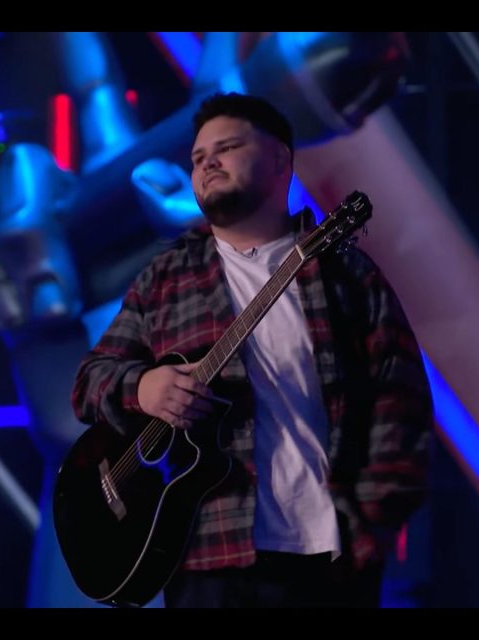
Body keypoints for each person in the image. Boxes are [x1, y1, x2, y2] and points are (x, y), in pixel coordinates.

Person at [70, 92, 432, 608]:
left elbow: (403, 406)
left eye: (227, 148)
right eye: (197, 157)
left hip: (328, 559)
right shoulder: (166, 278)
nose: (207, 163)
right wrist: (143, 386)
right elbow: (89, 381)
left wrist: (369, 523)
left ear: (280, 159)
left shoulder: (346, 276)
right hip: (203, 556)